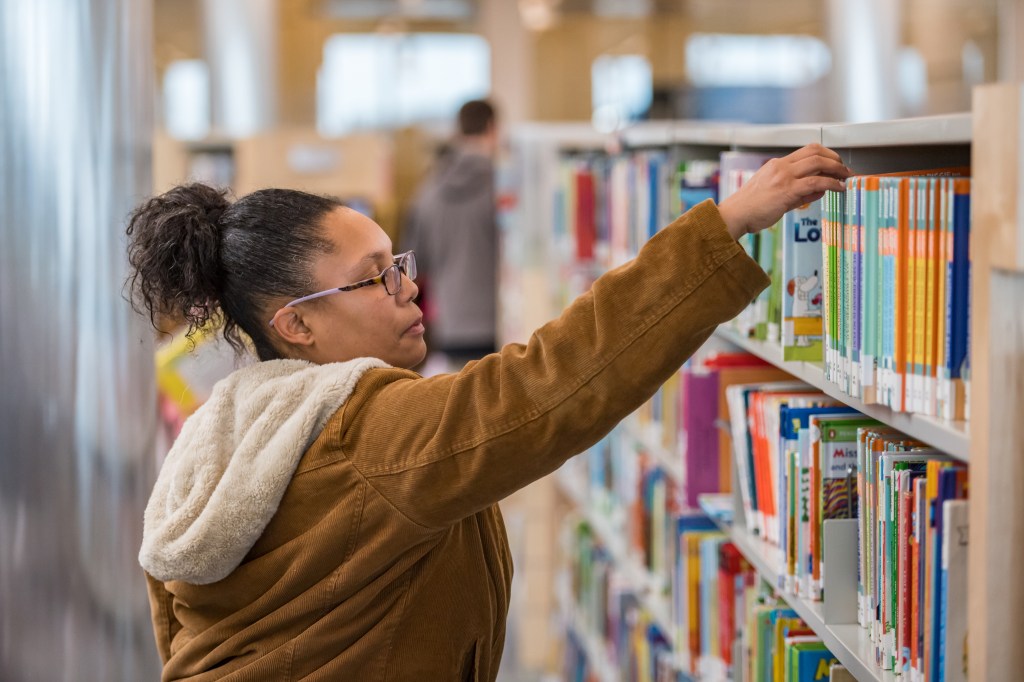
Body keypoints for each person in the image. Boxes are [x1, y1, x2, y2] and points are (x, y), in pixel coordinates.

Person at [127, 144, 850, 681]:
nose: (409, 288)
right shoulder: (368, 427)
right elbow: (549, 387)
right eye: (374, 279)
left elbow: (174, 626)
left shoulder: (219, 431)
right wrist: (723, 228)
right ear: (297, 326)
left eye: (397, 261)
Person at [403, 99, 500, 368]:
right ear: (493, 128)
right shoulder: (501, 185)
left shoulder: (427, 190)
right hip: (499, 322)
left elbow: (415, 260)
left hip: (450, 323)